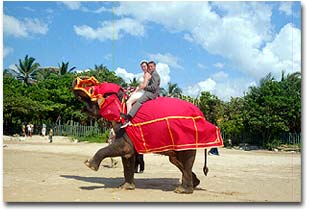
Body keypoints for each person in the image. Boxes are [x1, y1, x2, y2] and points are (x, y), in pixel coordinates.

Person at [121, 61, 161, 128]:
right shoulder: (152, 74)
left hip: (151, 93)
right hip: (147, 91)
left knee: (139, 101)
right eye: (149, 66)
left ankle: (129, 117)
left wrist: (144, 87)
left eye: (151, 66)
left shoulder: (154, 74)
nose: (150, 68)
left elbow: (153, 87)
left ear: (155, 66)